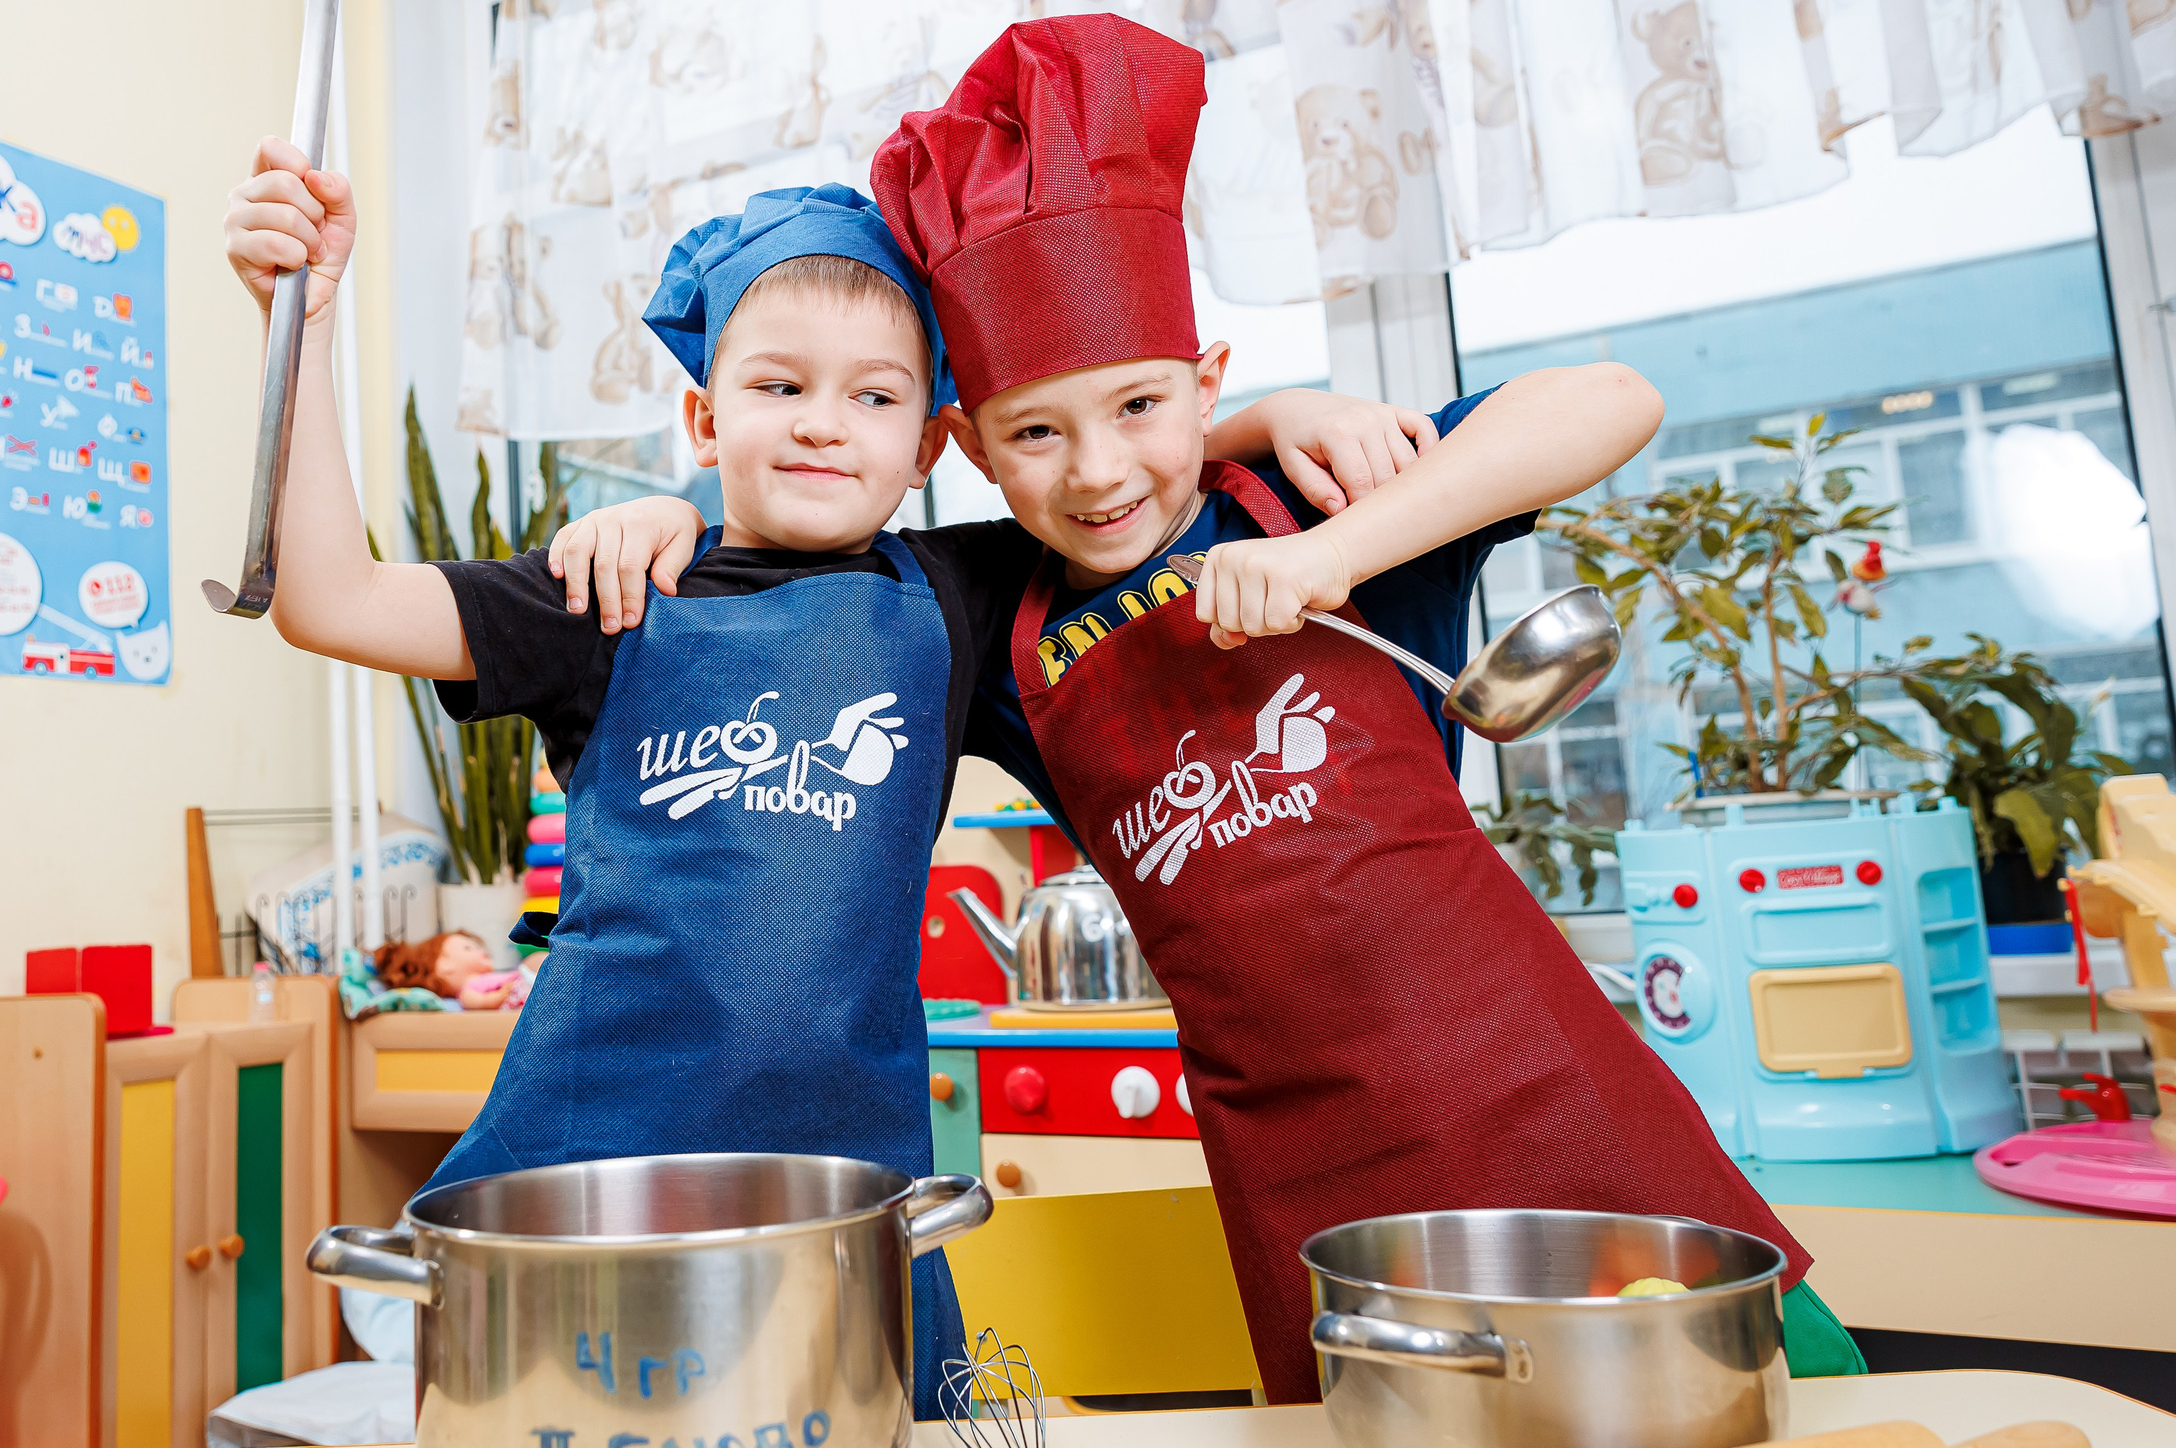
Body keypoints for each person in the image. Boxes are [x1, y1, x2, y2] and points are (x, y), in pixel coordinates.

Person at [558, 15, 1862, 1401]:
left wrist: (1323, 545)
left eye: (1143, 404)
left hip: (1546, 1103)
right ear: (972, 449)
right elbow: (805, 555)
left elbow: (1610, 395)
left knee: (1755, 1409)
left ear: (1206, 379)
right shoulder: (995, 627)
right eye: (1037, 432)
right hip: (1295, 1165)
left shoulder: (1331, 505)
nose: (1098, 468)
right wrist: (667, 508)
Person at [218, 143, 1426, 1415]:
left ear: (929, 446)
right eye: (778, 384)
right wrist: (297, 318)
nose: (819, 422)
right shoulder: (611, 595)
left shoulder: (959, 600)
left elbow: (1107, 468)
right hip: (589, 1184)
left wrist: (1274, 418)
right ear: (702, 416)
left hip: (853, 1203)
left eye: (873, 397)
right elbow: (328, 598)